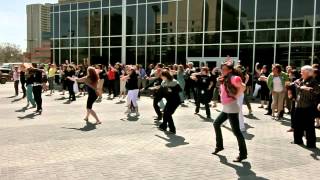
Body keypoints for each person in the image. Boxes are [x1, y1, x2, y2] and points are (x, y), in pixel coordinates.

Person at [212, 60, 248, 163]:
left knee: (237, 132)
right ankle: (219, 146)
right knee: (216, 124)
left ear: (230, 70)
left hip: (231, 108)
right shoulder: (226, 78)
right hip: (226, 108)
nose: (222, 71)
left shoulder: (233, 78)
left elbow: (243, 86)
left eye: (225, 69)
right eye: (222, 69)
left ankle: (243, 154)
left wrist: (236, 96)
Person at [292, 65, 319, 148]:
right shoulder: (300, 80)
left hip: (308, 107)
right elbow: (294, 84)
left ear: (308, 73)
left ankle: (311, 144)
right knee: (297, 124)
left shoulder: (313, 81)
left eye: (302, 72)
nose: (300, 73)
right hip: (299, 106)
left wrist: (307, 88)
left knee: (309, 126)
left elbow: (317, 92)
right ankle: (297, 140)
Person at [158, 70, 182, 134]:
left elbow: (180, 90)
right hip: (169, 100)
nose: (161, 77)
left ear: (165, 76)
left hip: (175, 101)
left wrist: (171, 89)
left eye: (162, 76)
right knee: (165, 113)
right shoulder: (163, 82)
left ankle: (172, 129)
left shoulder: (174, 82)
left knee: (167, 114)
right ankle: (164, 126)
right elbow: (162, 91)